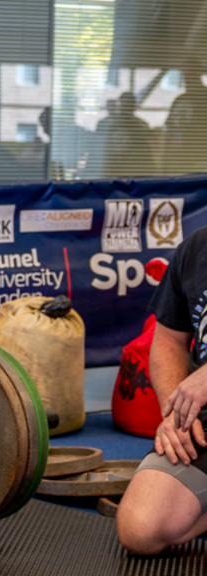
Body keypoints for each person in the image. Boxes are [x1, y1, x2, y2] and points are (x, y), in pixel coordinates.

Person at [117, 225, 207, 554]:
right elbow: (169, 340)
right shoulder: (197, 247)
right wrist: (175, 415)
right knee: (139, 529)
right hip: (205, 418)